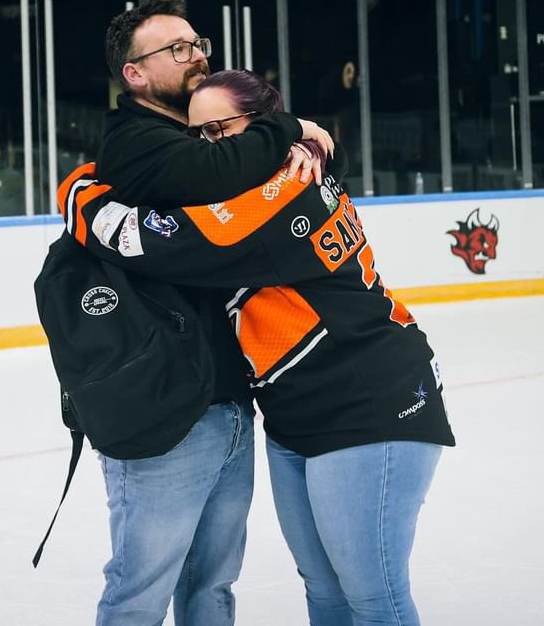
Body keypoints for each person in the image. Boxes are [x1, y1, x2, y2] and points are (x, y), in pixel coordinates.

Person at [61, 69, 456, 626]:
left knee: (373, 596)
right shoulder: (275, 175)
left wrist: (78, 187)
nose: (209, 150)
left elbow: (145, 242)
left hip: (372, 404)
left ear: (263, 125)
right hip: (297, 414)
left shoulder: (275, 195)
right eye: (195, 137)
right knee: (324, 588)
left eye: (221, 130)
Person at [88, 0, 336, 625]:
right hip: (166, 416)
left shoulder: (202, 132)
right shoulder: (134, 143)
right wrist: (288, 127)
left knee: (213, 586)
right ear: (134, 73)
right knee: (140, 588)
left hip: (229, 405)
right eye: (177, 48)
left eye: (199, 43)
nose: (196, 55)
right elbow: (210, 172)